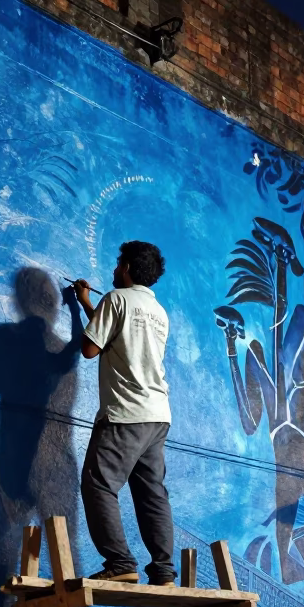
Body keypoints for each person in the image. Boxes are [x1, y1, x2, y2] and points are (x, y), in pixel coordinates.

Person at [73, 240, 175, 585]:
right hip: (157, 413)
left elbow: (91, 348)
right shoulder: (159, 313)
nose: (115, 270)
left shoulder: (116, 299)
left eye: (118, 264)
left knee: (98, 484)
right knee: (151, 494)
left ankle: (119, 563)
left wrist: (95, 306)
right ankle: (163, 571)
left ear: (127, 268)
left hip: (124, 413)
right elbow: (117, 340)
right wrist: (88, 304)